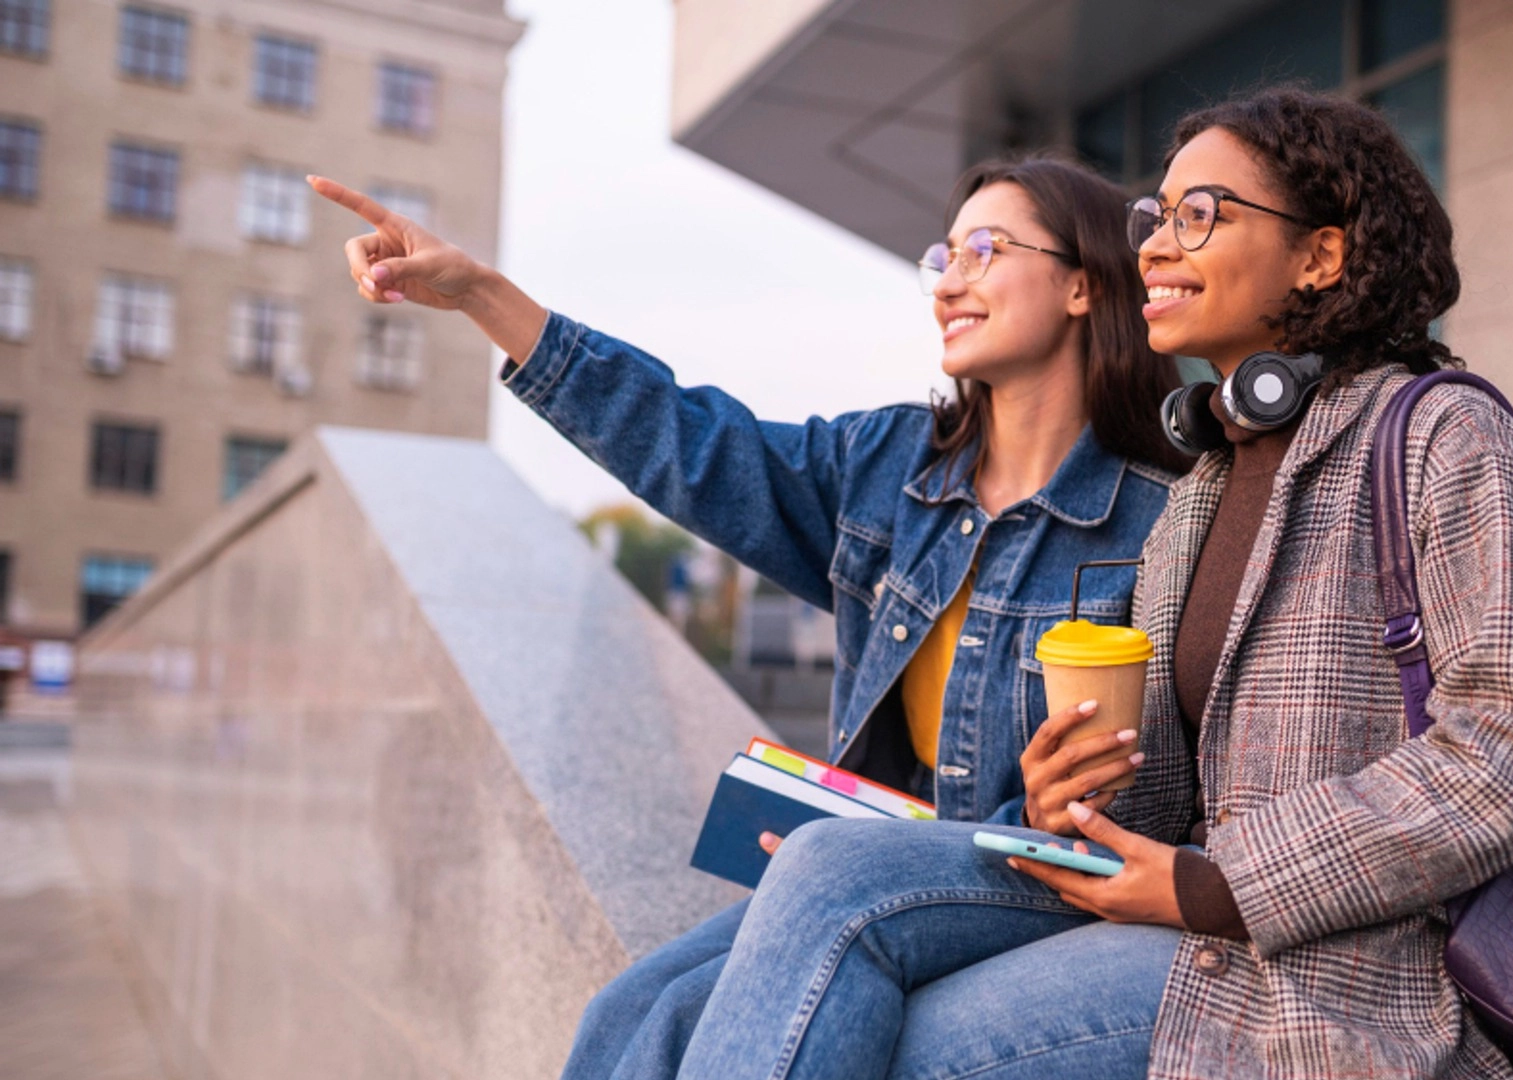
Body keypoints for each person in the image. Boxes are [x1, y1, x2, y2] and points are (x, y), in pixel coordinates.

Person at [673, 85, 1513, 1080]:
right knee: (809, 879)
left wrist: (1218, 885)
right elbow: (1168, 793)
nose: (1155, 245)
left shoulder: (1446, 437)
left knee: (906, 1039)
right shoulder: (1207, 478)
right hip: (1180, 920)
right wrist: (1070, 788)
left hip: (1337, 975)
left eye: (1200, 215)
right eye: (1156, 216)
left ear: (1321, 255)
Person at [308, 157, 1188, 1079]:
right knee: (634, 1008)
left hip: (1037, 869)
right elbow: (694, 446)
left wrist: (1027, 813)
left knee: (753, 963)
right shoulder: (892, 466)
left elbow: (1167, 786)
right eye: (944, 255)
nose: (950, 280)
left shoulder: (1157, 520)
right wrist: (484, 294)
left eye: (985, 248)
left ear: (1084, 285)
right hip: (890, 854)